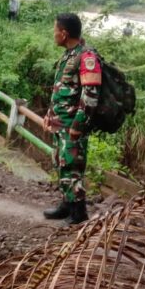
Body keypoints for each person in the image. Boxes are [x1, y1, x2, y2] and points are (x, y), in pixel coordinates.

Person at [42, 13, 101, 225]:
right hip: (60, 123)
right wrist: (50, 115)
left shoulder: (86, 57)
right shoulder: (69, 55)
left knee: (73, 166)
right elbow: (61, 89)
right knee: (61, 163)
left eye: (55, 30)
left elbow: (90, 95)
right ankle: (66, 204)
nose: (54, 34)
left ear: (64, 33)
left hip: (72, 126)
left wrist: (78, 124)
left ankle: (79, 213)